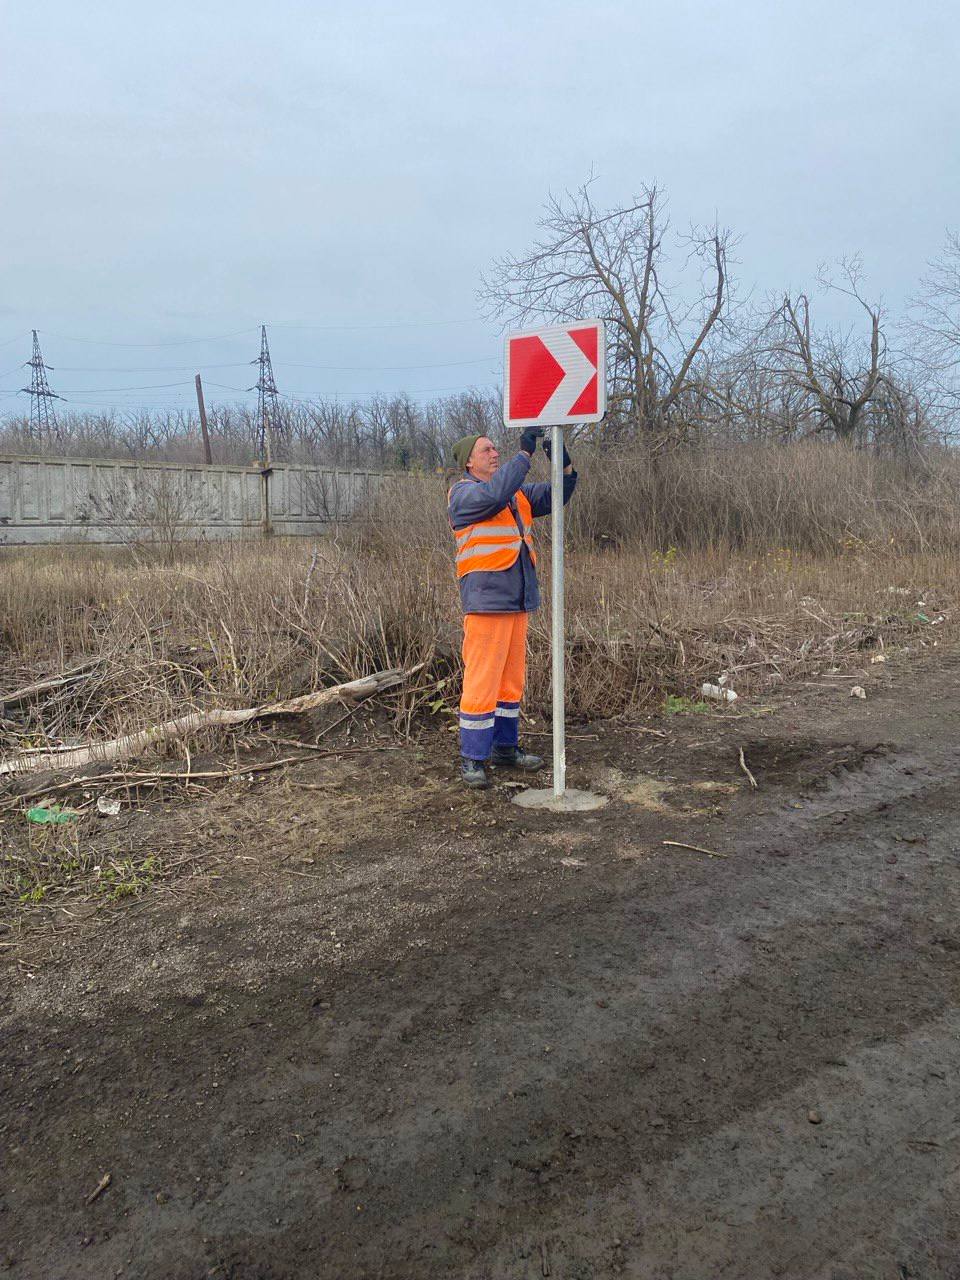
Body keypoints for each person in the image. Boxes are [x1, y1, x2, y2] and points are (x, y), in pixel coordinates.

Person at [448, 427, 578, 789]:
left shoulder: (514, 494)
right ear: (469, 462)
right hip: (486, 602)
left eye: (495, 449)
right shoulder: (463, 494)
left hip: (517, 600)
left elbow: (559, 494)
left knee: (510, 682)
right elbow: (495, 493)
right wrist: (524, 453)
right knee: (482, 681)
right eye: (486, 450)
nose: (495, 453)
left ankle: (505, 749)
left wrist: (562, 462)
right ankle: (473, 758)